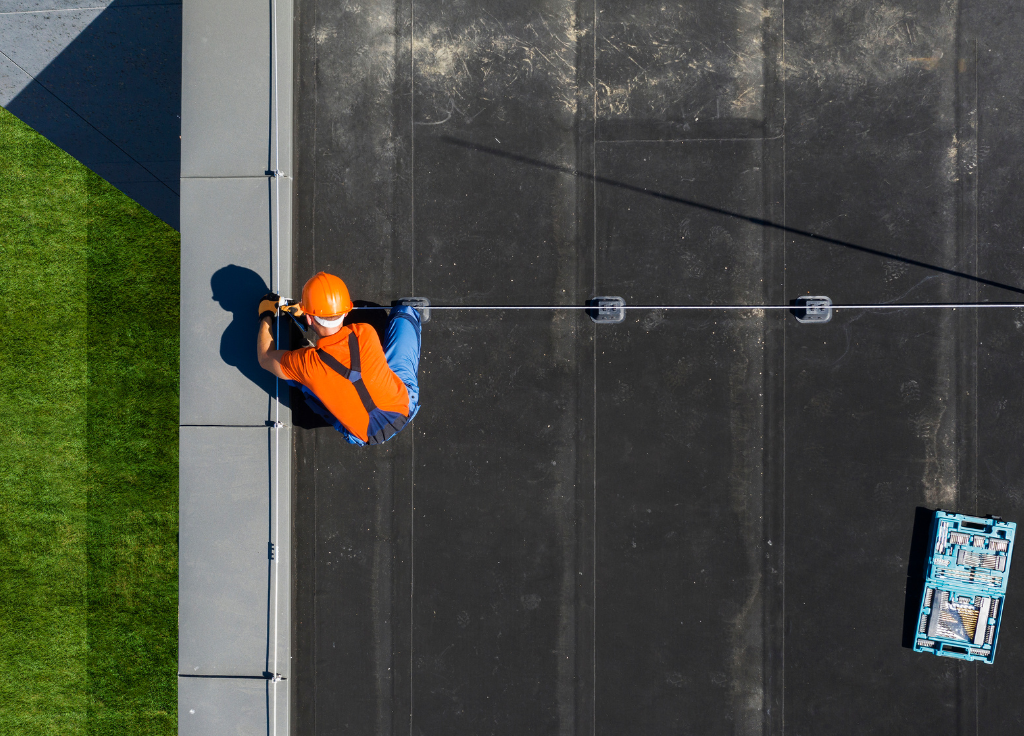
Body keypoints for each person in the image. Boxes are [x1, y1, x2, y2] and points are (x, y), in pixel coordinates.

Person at [256, 272, 421, 445]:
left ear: (310, 319)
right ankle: (409, 312)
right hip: (404, 406)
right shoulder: (365, 331)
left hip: (365, 436)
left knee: (299, 378)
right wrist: (308, 315)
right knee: (404, 314)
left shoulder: (304, 363)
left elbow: (265, 357)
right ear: (345, 311)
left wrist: (266, 315)